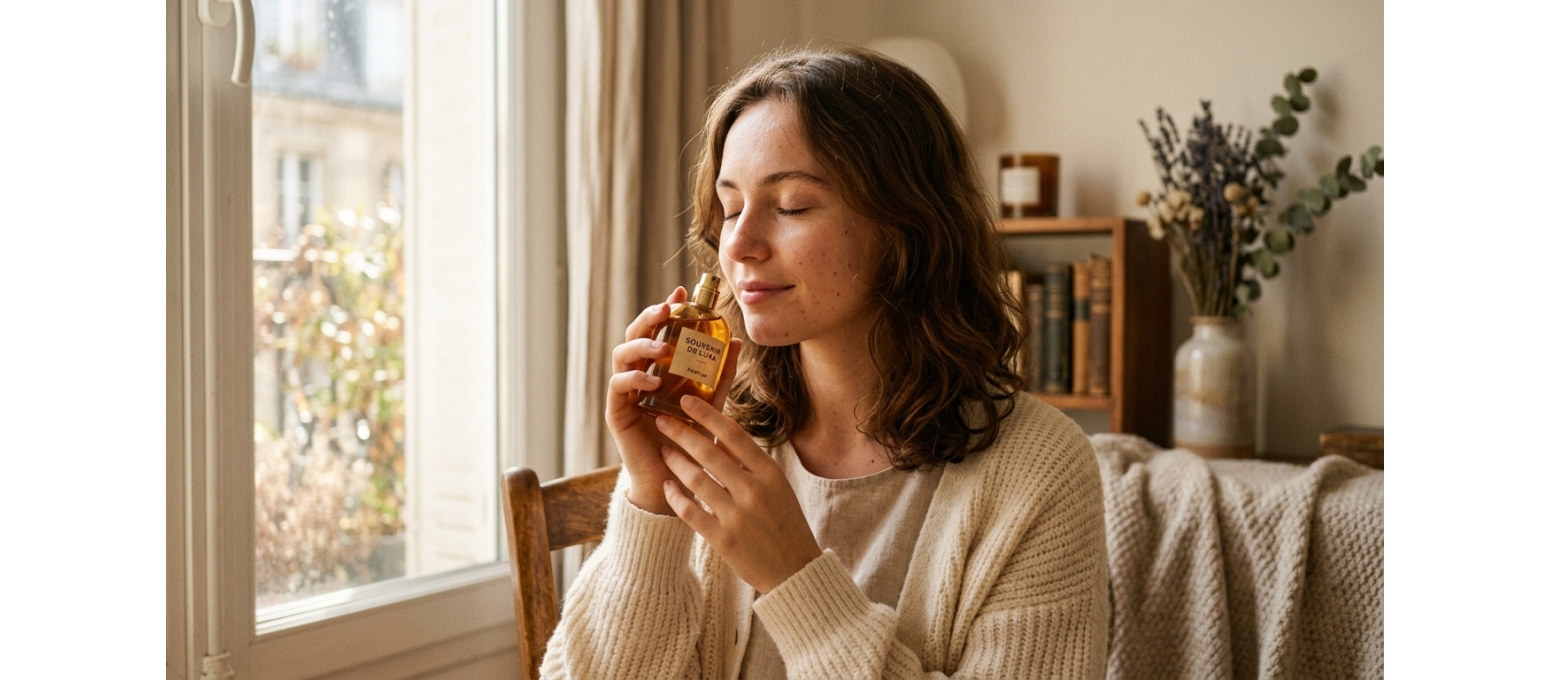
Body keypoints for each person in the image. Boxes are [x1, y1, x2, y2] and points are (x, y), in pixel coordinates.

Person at [542, 45, 1108, 680]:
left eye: (791, 207)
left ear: (907, 227)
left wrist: (796, 579)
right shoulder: (720, 440)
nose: (741, 245)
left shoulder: (1042, 473)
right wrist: (651, 498)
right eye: (730, 210)